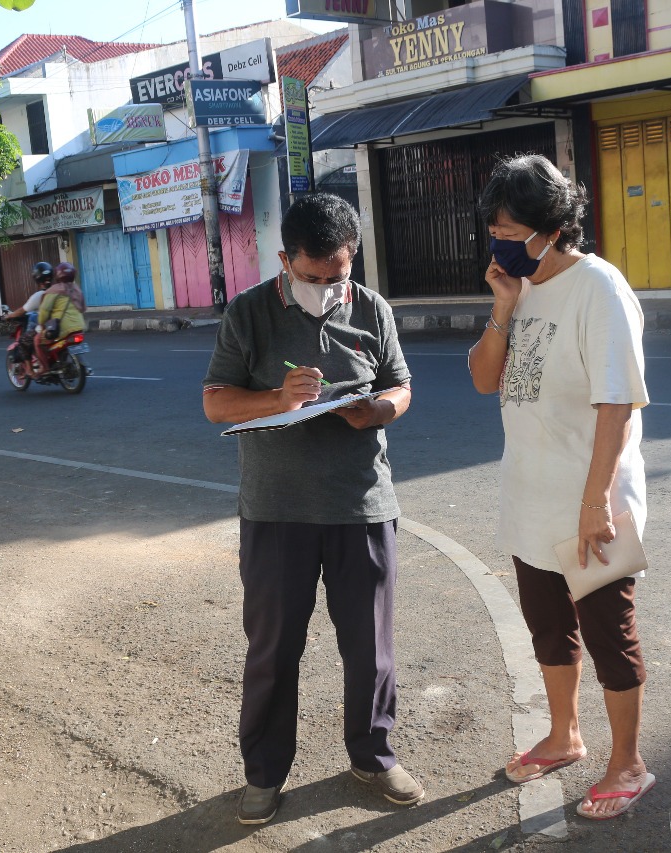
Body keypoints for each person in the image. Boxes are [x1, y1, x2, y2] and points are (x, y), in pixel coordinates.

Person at [202, 193, 419, 826]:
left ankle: (373, 755)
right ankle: (264, 775)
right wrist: (276, 397)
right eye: (313, 277)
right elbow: (217, 403)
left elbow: (401, 387)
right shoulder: (248, 313)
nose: (327, 288)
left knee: (371, 648)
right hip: (277, 512)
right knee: (272, 649)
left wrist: (373, 410)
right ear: (285, 261)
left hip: (363, 506)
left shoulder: (372, 309)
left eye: (339, 276)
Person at [466, 154, 654, 820]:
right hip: (530, 495)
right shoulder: (521, 289)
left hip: (589, 501)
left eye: (512, 230)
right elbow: (485, 379)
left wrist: (595, 501)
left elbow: (616, 403)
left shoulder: (598, 287)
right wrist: (502, 307)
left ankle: (627, 761)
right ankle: (564, 733)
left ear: (553, 227)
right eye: (494, 228)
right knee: (549, 629)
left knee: (609, 633)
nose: (500, 241)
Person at [1, 262, 54, 361]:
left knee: (23, 341)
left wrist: (9, 316)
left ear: (36, 278)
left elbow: (22, 310)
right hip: (60, 326)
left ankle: (31, 371)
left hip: (47, 328)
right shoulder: (58, 291)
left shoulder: (39, 295)